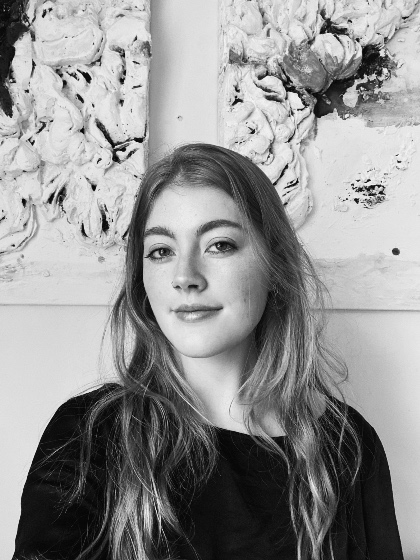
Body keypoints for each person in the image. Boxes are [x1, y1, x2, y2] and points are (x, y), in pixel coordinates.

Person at [13, 143, 403, 560]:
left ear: (275, 265)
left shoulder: (348, 445)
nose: (185, 277)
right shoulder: (89, 435)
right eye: (161, 251)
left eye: (219, 245)